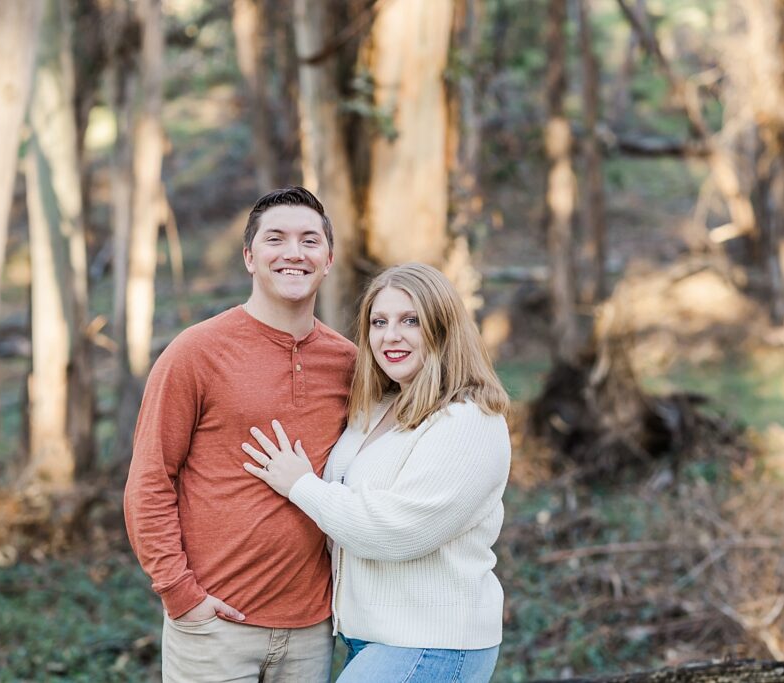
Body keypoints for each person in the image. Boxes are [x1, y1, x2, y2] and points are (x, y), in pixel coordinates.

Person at [123, 187, 357, 682]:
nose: (294, 253)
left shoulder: (348, 363)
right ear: (250, 257)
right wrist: (180, 594)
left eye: (309, 241)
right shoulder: (195, 352)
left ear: (328, 259)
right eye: (276, 239)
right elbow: (149, 480)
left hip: (313, 627)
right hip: (215, 628)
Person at [242, 262, 511, 682]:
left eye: (410, 321)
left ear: (443, 328)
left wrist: (300, 485)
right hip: (370, 638)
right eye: (379, 322)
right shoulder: (380, 409)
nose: (391, 336)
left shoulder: (469, 420)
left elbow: (398, 529)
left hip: (432, 643)